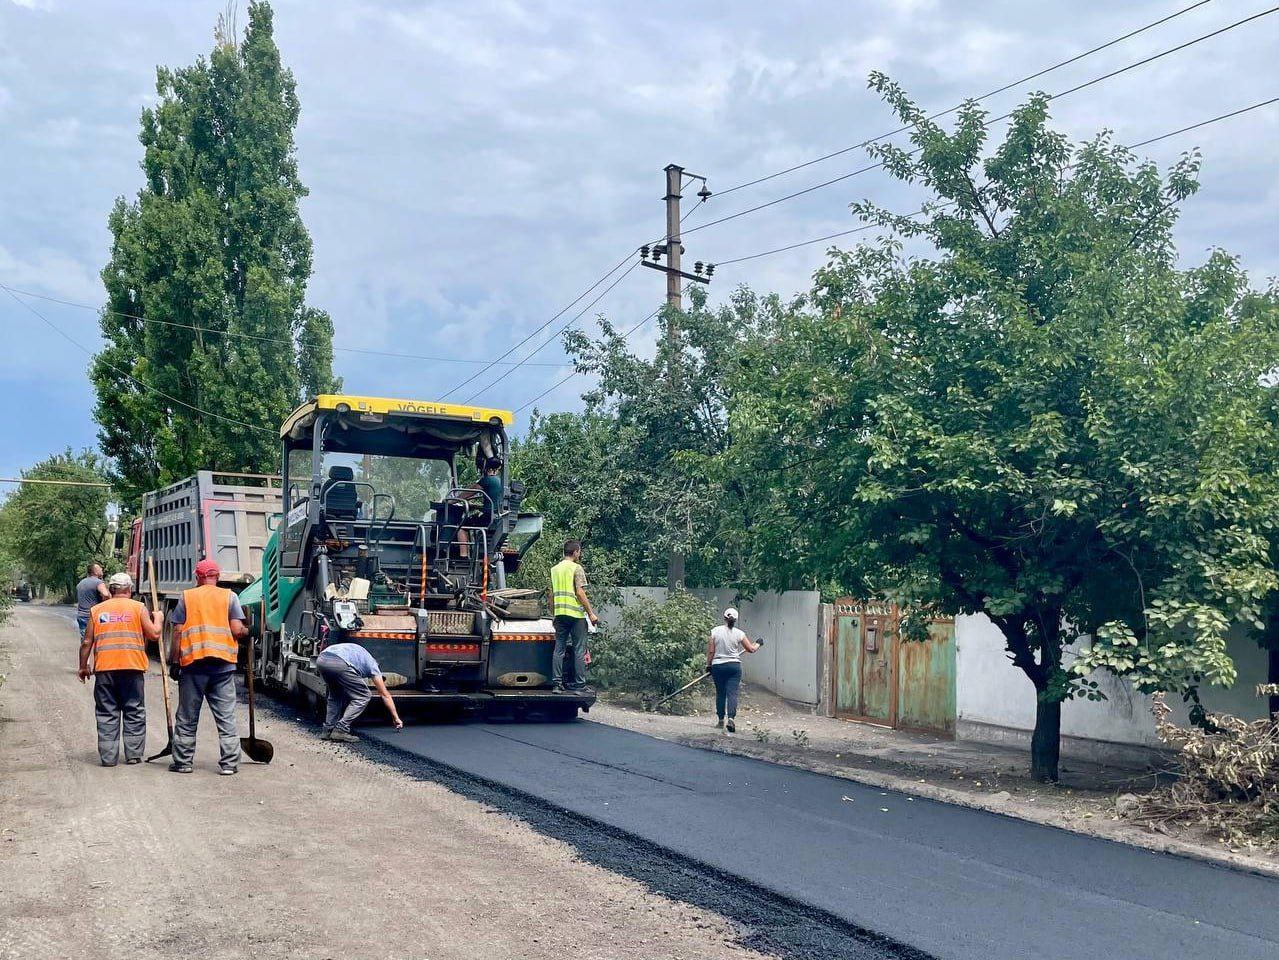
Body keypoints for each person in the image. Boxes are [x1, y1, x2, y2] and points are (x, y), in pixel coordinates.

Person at [168, 559, 248, 775]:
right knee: (226, 716)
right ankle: (229, 764)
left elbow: (177, 631)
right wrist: (247, 632)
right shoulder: (230, 596)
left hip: (193, 667)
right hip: (222, 667)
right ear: (217, 576)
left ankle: (183, 762)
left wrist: (174, 661)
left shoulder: (187, 596)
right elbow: (236, 630)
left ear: (197, 577)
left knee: (187, 716)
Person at [77, 572, 162, 766]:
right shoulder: (138, 607)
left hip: (105, 671)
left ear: (111, 589)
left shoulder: (97, 610)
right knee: (134, 711)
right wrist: (159, 618)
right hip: (132, 668)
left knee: (107, 713)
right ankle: (133, 755)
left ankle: (108, 758)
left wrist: (83, 667)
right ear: (130, 589)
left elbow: (87, 642)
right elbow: (155, 634)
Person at [316, 641, 403, 741]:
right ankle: (341, 730)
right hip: (338, 662)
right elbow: (384, 694)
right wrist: (395, 717)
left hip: (322, 659)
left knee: (335, 696)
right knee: (363, 696)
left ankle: (327, 730)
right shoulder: (373, 666)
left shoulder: (360, 655)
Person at [549, 538, 598, 693]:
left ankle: (557, 684)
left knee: (559, 649)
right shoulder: (576, 568)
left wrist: (553, 612)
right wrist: (590, 613)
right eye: (579, 551)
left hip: (560, 614)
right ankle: (579, 684)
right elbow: (580, 592)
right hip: (575, 615)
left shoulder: (554, 569)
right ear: (576, 552)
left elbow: (551, 594)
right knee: (579, 649)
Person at [705, 607, 759, 733]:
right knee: (732, 693)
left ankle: (720, 720)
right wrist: (758, 643)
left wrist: (708, 665)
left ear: (724, 618)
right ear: (736, 620)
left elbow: (711, 651)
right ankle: (731, 718)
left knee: (721, 693)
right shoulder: (739, 633)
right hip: (734, 666)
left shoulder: (715, 631)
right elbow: (751, 649)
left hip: (718, 666)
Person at [74, 563, 110, 639]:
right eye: (100, 568)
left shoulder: (80, 583)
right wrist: (106, 605)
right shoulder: (98, 582)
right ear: (95, 572)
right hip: (95, 615)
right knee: (101, 638)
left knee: (85, 639)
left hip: (81, 615)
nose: (102, 569)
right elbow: (106, 594)